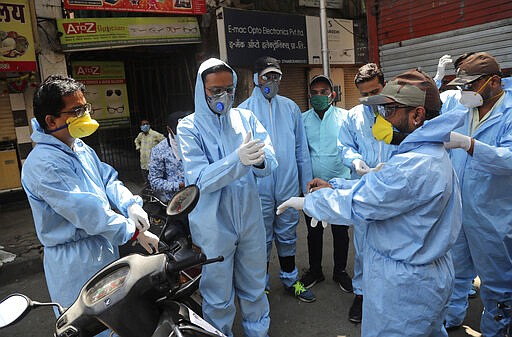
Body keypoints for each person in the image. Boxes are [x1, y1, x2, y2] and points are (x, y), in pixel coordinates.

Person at [278, 69, 466, 337]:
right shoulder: (425, 153)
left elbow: (362, 204)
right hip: (420, 275)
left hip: (404, 286)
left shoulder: (415, 164)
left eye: (390, 111)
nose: (383, 118)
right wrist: (337, 185)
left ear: (417, 115)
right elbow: (381, 190)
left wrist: (308, 202)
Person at [21, 75, 159, 335]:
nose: (84, 115)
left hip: (102, 246)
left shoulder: (79, 147)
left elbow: (107, 178)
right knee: (91, 326)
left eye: (85, 108)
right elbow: (87, 212)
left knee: (118, 321)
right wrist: (133, 232)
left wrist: (129, 204)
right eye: (76, 111)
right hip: (74, 261)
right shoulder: (43, 164)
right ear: (51, 121)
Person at [176, 58, 277, 337]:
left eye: (229, 89)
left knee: (255, 288)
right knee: (218, 296)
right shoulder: (189, 127)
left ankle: (259, 333)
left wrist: (259, 162)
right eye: (216, 90)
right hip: (212, 224)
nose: (224, 96)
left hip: (249, 217)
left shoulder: (245, 119)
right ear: (201, 90)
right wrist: (238, 160)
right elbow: (199, 179)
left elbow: (270, 162)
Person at [443, 51, 512, 336]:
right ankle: (452, 315)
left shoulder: (509, 111)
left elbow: (509, 159)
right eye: (463, 86)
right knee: (456, 271)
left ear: (494, 81)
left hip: (492, 215)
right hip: (460, 208)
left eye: (471, 85)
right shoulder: (466, 109)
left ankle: (497, 329)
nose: (466, 91)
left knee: (498, 282)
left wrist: (470, 145)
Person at [238, 56, 314, 302]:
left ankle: (291, 280)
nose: (271, 81)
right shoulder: (243, 112)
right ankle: (261, 286)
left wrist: (307, 186)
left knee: (288, 234)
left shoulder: (291, 108)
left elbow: (301, 150)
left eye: (276, 76)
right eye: (266, 76)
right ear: (255, 79)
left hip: (288, 185)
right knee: (260, 238)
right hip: (257, 187)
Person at [336, 63, 398, 323]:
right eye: (365, 94)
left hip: (395, 187)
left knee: (395, 243)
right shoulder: (353, 117)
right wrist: (354, 161)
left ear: (383, 84)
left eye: (375, 91)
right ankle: (361, 294)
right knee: (362, 246)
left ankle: (392, 294)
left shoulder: (398, 110)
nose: (370, 98)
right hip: (363, 187)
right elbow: (343, 145)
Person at [300, 75, 353, 294]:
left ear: (333, 95)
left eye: (324, 91)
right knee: (314, 232)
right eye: (314, 92)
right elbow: (300, 152)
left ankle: (340, 271)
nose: (319, 96)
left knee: (341, 231)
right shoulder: (302, 120)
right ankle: (315, 270)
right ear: (309, 95)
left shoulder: (345, 118)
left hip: (338, 187)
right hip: (312, 187)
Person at [148, 111, 191, 202]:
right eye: (179, 131)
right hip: (177, 204)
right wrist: (179, 185)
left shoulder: (199, 143)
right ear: (169, 130)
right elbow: (154, 182)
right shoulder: (159, 151)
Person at [134, 118, 165, 183]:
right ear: (141, 126)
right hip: (143, 160)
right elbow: (136, 140)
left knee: (153, 176)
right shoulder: (141, 135)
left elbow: (164, 141)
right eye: (143, 124)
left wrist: (160, 151)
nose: (145, 126)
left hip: (152, 159)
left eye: (146, 124)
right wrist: (138, 147)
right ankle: (147, 185)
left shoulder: (155, 134)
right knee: (144, 174)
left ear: (149, 125)